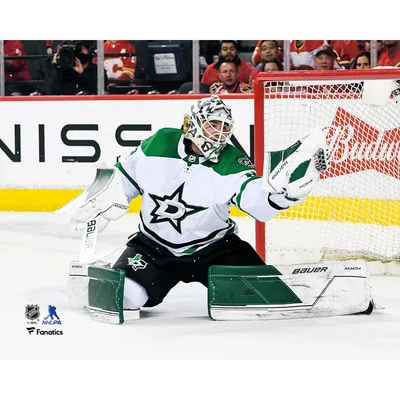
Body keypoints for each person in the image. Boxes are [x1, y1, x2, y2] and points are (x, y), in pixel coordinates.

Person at [59, 95, 329, 323]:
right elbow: (124, 175)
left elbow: (254, 202)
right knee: (123, 298)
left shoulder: (232, 161)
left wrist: (282, 196)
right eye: (213, 125)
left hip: (215, 248)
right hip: (153, 248)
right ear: (193, 124)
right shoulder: (160, 143)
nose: (220, 134)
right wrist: (102, 197)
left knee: (270, 297)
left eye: (225, 128)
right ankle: (102, 278)